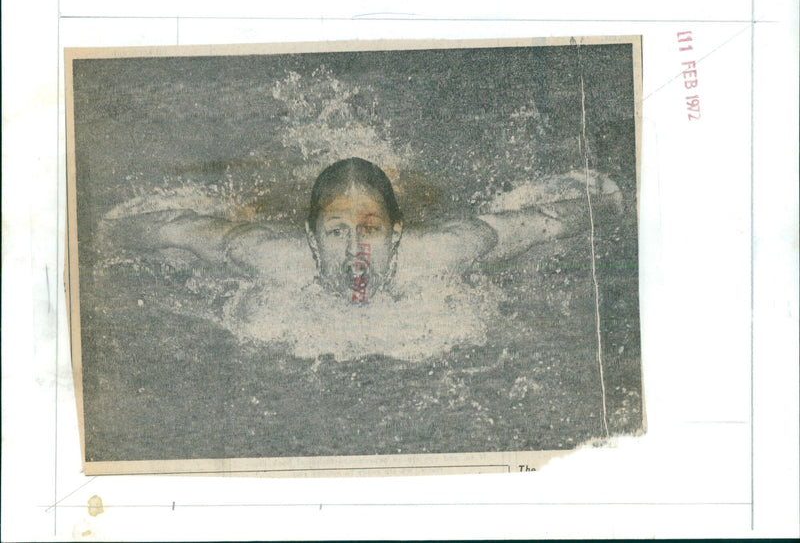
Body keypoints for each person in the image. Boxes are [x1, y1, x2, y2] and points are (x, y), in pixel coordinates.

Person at [107, 157, 621, 305]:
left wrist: (613, 202)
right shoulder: (270, 255)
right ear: (310, 240)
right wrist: (102, 238)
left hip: (420, 215)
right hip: (272, 223)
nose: (356, 251)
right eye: (334, 234)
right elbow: (182, 229)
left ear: (397, 235)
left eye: (371, 232)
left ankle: (399, 184)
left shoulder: (443, 251)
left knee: (430, 199)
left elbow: (542, 222)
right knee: (247, 210)